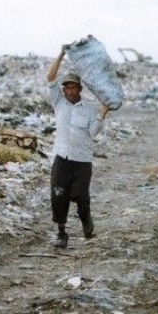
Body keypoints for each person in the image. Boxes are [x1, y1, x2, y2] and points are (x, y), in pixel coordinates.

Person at [46, 47, 110, 248]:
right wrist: (61, 54)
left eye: (74, 87)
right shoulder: (59, 103)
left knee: (81, 196)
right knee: (58, 195)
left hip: (82, 161)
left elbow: (93, 133)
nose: (70, 91)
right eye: (67, 88)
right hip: (61, 159)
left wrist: (104, 111)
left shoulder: (89, 109)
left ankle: (86, 219)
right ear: (63, 90)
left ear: (80, 90)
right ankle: (62, 234)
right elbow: (50, 77)